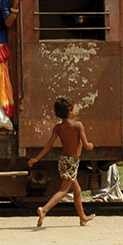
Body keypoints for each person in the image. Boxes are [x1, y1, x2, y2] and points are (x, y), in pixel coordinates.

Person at [28, 97, 96, 226]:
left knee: (77, 190)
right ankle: (44, 209)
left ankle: (82, 217)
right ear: (70, 111)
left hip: (64, 161)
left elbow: (49, 145)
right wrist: (91, 146)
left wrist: (37, 158)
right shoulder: (78, 125)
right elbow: (86, 145)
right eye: (73, 109)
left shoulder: (58, 128)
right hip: (72, 163)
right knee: (63, 190)